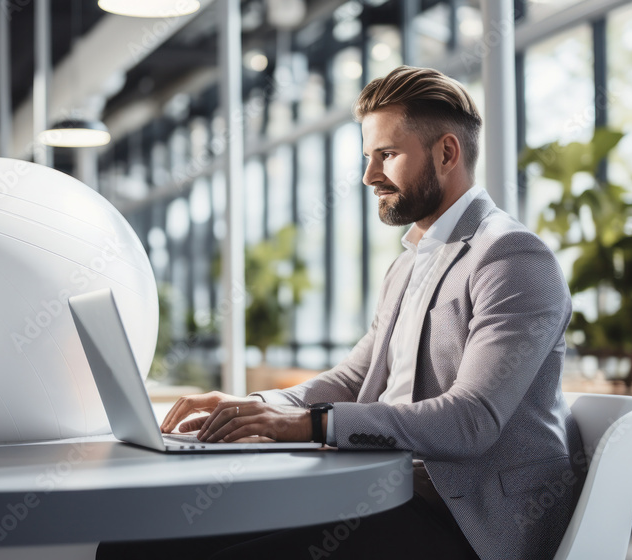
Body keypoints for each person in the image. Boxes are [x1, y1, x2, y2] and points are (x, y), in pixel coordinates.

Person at [99, 65, 585, 560]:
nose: (369, 175)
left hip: (468, 524)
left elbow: (470, 420)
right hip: (389, 495)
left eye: (387, 155)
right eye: (367, 157)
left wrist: (310, 424)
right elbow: (355, 377)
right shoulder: (408, 263)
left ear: (446, 152)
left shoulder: (512, 258)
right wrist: (263, 407)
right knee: (134, 545)